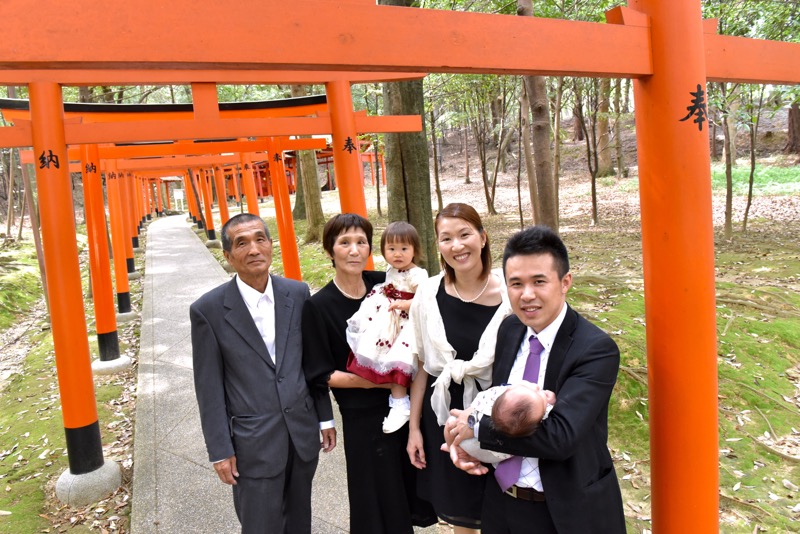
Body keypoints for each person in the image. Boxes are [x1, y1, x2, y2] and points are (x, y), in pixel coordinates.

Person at [446, 225, 626, 534]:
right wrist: (464, 443)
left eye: (539, 281)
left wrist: (476, 426)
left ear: (564, 282)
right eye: (516, 283)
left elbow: (560, 437)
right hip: (503, 503)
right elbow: (501, 406)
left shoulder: (595, 349)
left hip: (565, 512)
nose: (527, 295)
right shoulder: (510, 330)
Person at [190, 213, 334, 534]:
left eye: (260, 239)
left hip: (301, 433)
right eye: (242, 243)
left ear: (271, 245)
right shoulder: (208, 310)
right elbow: (209, 388)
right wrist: (220, 449)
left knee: (299, 523)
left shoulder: (297, 294)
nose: (254, 249)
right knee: (261, 527)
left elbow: (312, 364)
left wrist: (324, 417)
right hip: (252, 444)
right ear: (228, 257)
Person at [302, 213, 436, 534]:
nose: (354, 250)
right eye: (344, 242)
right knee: (377, 507)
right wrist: (383, 381)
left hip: (410, 410)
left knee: (409, 494)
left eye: (361, 242)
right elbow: (321, 374)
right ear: (329, 250)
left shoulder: (386, 284)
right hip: (364, 418)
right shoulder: (319, 305)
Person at [406, 203, 511, 534]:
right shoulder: (427, 294)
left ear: (483, 237)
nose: (456, 246)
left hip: (500, 420)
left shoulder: (511, 294)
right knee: (460, 520)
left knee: (504, 512)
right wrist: (414, 429)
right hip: (443, 417)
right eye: (446, 238)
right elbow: (422, 366)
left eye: (465, 234)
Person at [345, 221, 429, 433]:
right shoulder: (390, 271)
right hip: (388, 321)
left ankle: (401, 405)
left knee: (399, 360)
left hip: (406, 323)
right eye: (391, 249)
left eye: (404, 249)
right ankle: (398, 403)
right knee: (381, 357)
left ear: (415, 250)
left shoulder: (418, 274)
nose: (397, 254)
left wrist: (405, 304)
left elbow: (424, 301)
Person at [444, 381, 556, 464]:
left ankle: (451, 446)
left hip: (470, 444)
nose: (537, 387)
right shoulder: (537, 416)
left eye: (538, 392)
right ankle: (460, 451)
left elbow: (478, 402)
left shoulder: (494, 396)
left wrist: (474, 415)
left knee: (451, 423)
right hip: (494, 456)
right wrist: (551, 401)